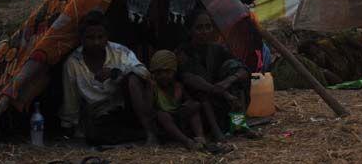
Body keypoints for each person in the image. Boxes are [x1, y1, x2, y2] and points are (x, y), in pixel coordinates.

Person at [60, 11, 159, 145]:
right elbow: (71, 99)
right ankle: (137, 134)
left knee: (133, 79)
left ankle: (150, 133)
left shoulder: (119, 52)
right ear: (81, 39)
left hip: (129, 108)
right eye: (90, 37)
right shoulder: (73, 63)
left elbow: (144, 73)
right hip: (101, 115)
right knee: (95, 135)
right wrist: (68, 127)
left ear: (107, 37)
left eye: (100, 37)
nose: (96, 42)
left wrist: (115, 73)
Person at [177, 11, 253, 142]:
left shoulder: (218, 49)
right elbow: (188, 78)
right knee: (201, 88)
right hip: (200, 108)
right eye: (199, 28)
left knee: (233, 69)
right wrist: (217, 90)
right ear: (190, 30)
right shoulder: (183, 52)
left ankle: (238, 124)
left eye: (208, 27)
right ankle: (215, 131)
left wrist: (228, 81)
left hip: (221, 100)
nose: (205, 32)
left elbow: (243, 70)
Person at [149, 50, 230, 154]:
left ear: (174, 72)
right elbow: (150, 109)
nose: (163, 76)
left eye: (167, 72)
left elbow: (189, 102)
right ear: (153, 73)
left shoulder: (178, 86)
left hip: (179, 119)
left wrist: (187, 104)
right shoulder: (153, 87)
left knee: (194, 105)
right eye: (159, 73)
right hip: (165, 124)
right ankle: (187, 142)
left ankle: (200, 138)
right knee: (162, 115)